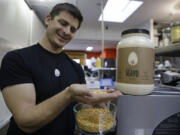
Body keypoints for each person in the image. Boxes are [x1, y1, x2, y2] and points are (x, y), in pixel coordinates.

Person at [0, 3, 121, 135]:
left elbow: (81, 106)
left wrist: (95, 103)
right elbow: (26, 122)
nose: (67, 31)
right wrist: (68, 94)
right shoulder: (17, 59)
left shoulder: (75, 68)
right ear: (48, 19)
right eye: (63, 23)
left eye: (73, 29)